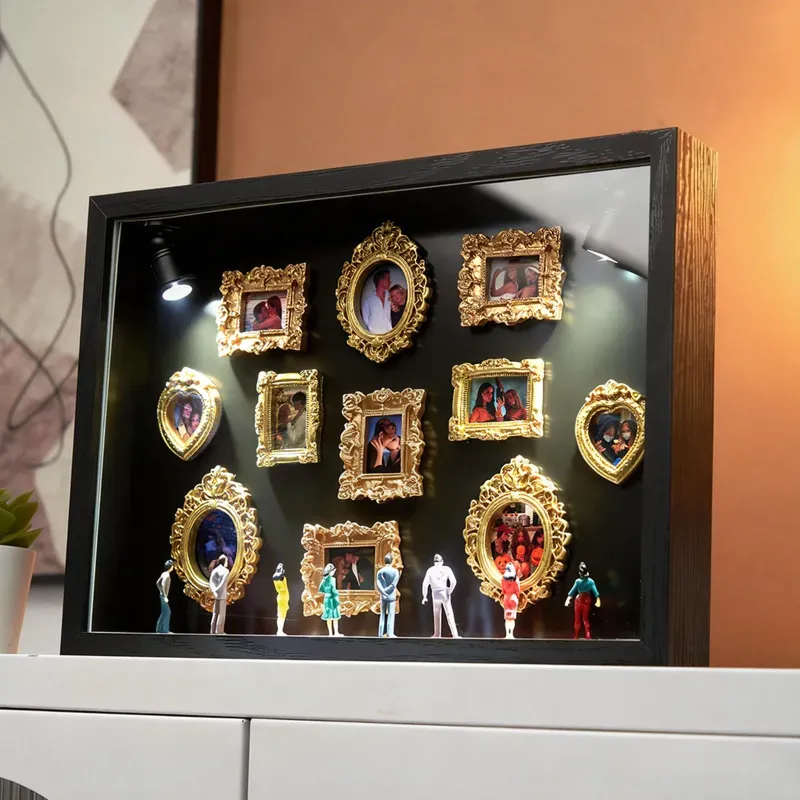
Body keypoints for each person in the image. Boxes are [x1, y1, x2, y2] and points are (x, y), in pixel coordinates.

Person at [421, 554, 459, 638]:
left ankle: (437, 634)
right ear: (442, 561)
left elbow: (425, 584)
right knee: (449, 613)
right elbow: (453, 582)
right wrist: (449, 591)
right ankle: (455, 634)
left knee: (436, 613)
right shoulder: (446, 569)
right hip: (443, 592)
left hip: (435, 593)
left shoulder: (430, 570)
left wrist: (424, 596)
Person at [565, 562, 601, 640]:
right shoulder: (589, 581)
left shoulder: (580, 581)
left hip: (581, 600)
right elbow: (595, 592)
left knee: (580, 618)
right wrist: (568, 599)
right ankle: (582, 635)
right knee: (583, 618)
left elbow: (572, 591)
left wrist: (568, 599)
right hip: (584, 600)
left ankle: (580, 635)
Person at [360, 266, 392, 334]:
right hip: (375, 336)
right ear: (381, 281)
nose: (390, 282)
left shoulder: (391, 295)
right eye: (388, 279)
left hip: (391, 333)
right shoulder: (368, 302)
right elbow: (365, 322)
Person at [376, 554, 400, 637]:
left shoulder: (380, 571)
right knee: (390, 614)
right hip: (391, 596)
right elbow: (393, 585)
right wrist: (387, 592)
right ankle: (390, 633)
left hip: (383, 596)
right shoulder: (395, 571)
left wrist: (383, 592)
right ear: (392, 561)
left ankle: (380, 633)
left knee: (382, 614)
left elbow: (378, 584)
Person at [319, 563, 343, 636]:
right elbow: (334, 591)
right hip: (332, 599)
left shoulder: (324, 580)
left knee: (329, 617)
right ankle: (335, 632)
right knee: (335, 617)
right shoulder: (332, 579)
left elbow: (320, 589)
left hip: (327, 599)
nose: (334, 572)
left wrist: (327, 592)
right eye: (333, 571)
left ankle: (330, 633)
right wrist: (337, 599)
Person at [209, 554, 230, 634]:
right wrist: (219, 591)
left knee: (215, 614)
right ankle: (219, 631)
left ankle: (212, 631)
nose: (227, 563)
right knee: (221, 614)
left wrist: (215, 591)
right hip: (222, 595)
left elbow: (211, 582)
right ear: (224, 561)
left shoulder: (215, 570)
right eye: (227, 561)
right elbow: (223, 582)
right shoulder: (226, 571)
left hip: (216, 594)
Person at [501, 561, 521, 639]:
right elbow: (518, 590)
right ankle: (511, 634)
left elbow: (503, 590)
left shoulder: (503, 579)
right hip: (513, 597)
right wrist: (517, 596)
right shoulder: (515, 579)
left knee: (507, 617)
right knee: (512, 618)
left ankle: (507, 634)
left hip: (506, 598)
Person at [155, 559, 174, 634]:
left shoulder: (164, 573)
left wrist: (161, 592)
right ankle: (165, 630)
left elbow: (157, 583)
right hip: (163, 596)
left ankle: (159, 629)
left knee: (164, 612)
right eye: (172, 566)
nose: (173, 567)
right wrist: (165, 596)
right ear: (170, 566)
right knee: (168, 612)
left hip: (161, 595)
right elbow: (162, 585)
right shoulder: (167, 576)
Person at [273, 563, 289, 636]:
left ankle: (280, 630)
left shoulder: (277, 578)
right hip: (282, 598)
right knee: (281, 616)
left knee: (281, 615)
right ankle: (279, 631)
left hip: (282, 598)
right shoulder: (281, 579)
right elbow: (282, 588)